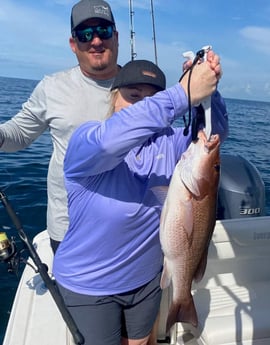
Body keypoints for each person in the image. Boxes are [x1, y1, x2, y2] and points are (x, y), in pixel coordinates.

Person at [53, 56, 228, 345]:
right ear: (113, 98)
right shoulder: (87, 140)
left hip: (146, 279)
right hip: (89, 284)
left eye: (152, 99)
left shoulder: (171, 143)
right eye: (134, 96)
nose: (143, 104)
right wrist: (180, 94)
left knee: (141, 342)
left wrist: (208, 90)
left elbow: (214, 136)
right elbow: (111, 140)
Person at [0, 0, 120, 253]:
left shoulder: (142, 86)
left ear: (116, 37)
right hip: (70, 229)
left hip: (132, 228)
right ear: (73, 44)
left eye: (103, 31)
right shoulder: (52, 87)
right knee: (76, 293)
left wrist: (198, 95)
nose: (96, 41)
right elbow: (19, 134)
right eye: (85, 34)